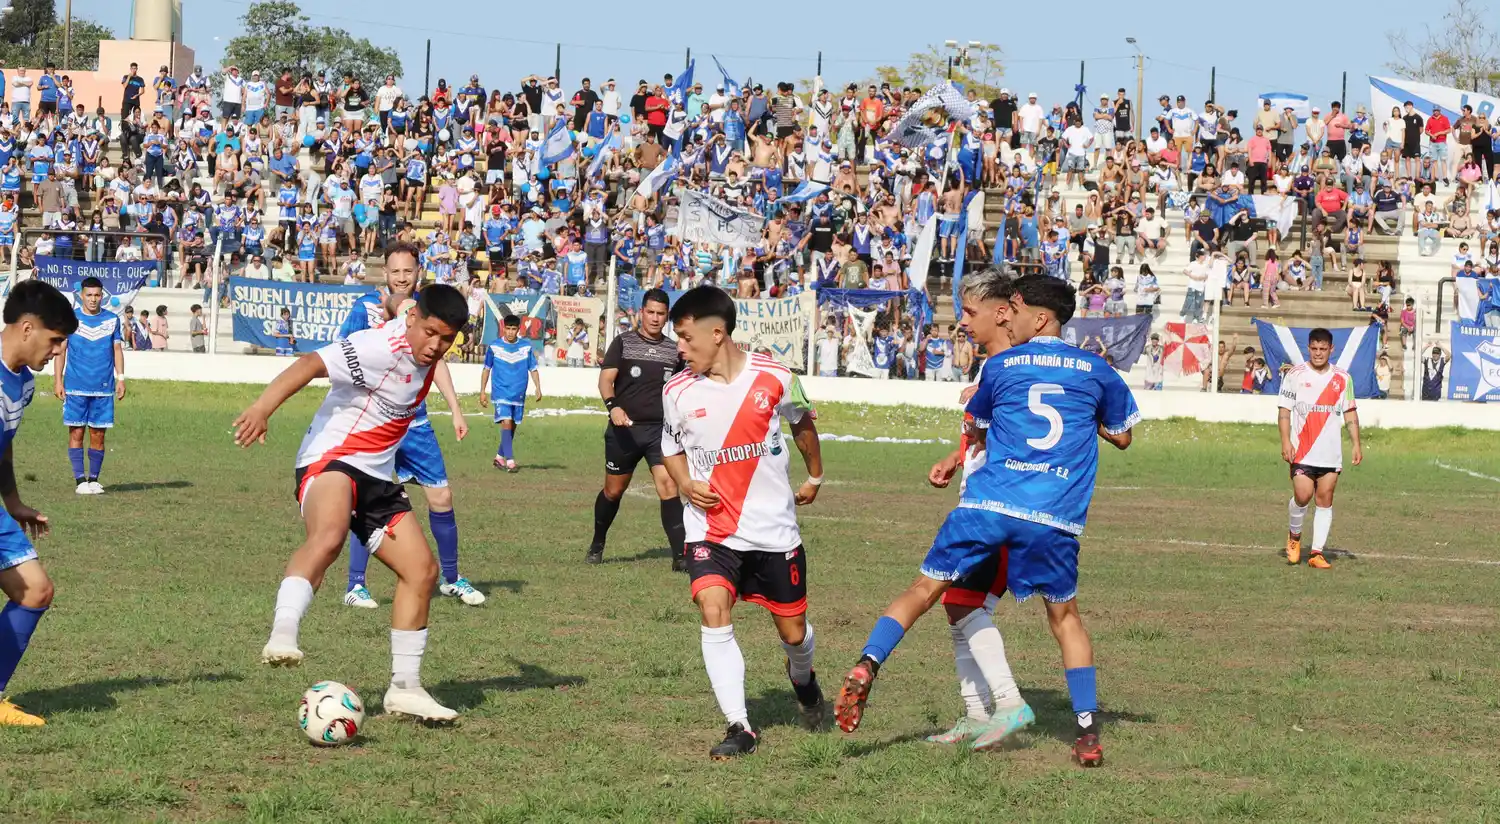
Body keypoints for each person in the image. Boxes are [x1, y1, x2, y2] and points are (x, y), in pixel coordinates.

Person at [833, 273, 1139, 769]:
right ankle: (1086, 732)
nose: (1007, 317)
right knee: (1063, 618)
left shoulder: (1002, 367)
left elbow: (977, 425)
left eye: (1013, 309)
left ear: (1037, 317)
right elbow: (1123, 437)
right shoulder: (1096, 369)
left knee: (925, 591)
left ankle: (870, 661)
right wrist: (1088, 418)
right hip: (1053, 515)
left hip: (988, 507)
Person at [235, 285, 468, 723]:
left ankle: (405, 689)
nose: (435, 346)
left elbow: (406, 306)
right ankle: (283, 633)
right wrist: (262, 408)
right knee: (330, 534)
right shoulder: (379, 345)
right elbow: (311, 363)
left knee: (422, 571)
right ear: (414, 319)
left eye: (447, 340)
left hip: (378, 474)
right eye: (431, 333)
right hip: (332, 458)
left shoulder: (426, 350)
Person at [659, 285, 827, 759]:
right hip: (711, 529)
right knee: (713, 610)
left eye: (688, 338)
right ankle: (740, 726)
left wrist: (815, 475)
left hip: (774, 532)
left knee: (793, 633)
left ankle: (804, 680)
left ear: (718, 333)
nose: (681, 348)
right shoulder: (677, 390)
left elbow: (802, 425)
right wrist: (686, 483)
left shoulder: (776, 377)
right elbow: (670, 447)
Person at [338, 244, 484, 610]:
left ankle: (451, 579)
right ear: (384, 274)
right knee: (367, 500)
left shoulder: (426, 310)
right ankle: (356, 585)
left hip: (415, 422)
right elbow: (343, 351)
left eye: (408, 271)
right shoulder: (365, 308)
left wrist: (455, 410)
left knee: (442, 496)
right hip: (376, 421)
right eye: (394, 272)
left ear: (418, 272)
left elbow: (436, 361)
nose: (401, 277)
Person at [920, 271, 1031, 750]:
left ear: (1001, 310)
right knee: (959, 606)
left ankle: (1007, 704)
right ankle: (976, 713)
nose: (961, 321)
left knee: (963, 602)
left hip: (999, 506)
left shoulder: (1012, 365)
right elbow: (983, 434)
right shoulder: (991, 366)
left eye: (968, 312)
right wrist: (956, 456)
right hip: (980, 501)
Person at [0, 280, 78, 726]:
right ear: (27, 328)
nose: (57, 352)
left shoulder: (23, 385)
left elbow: (4, 447)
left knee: (35, 590)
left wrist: (13, 501)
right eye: (55, 341)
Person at [588, 290, 687, 570]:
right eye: (651, 312)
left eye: (661, 313)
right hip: (625, 431)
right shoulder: (623, 343)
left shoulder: (673, 351)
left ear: (667, 316)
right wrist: (613, 407)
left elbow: (682, 388)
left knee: (669, 487)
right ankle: (598, 542)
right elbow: (606, 381)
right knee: (613, 491)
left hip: (660, 432)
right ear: (641, 312)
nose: (655, 318)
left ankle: (680, 556)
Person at [1279, 328, 1363, 570]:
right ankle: (1294, 537)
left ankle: (1317, 553)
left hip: (1330, 453)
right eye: (1314, 349)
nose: (1318, 353)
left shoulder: (1343, 379)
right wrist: (1286, 441)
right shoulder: (1295, 375)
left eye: (1323, 349)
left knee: (1325, 498)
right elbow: (1284, 410)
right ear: (1309, 348)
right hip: (1302, 451)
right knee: (1303, 495)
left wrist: (1356, 443)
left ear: (1331, 350)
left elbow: (1350, 411)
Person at [52, 278, 125, 495]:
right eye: (89, 295)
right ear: (81, 295)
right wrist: (57, 380)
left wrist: (121, 378)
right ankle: (79, 481)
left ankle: (93, 479)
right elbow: (61, 351)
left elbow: (117, 350)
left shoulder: (112, 320)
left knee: (98, 435)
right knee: (76, 432)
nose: (93, 299)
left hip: (103, 387)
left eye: (97, 295)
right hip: (75, 387)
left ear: (102, 296)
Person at [478, 314, 542, 472]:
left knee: (512, 425)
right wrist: (482, 391)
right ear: (503, 328)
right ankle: (510, 461)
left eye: (514, 329)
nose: (511, 332)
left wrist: (538, 387)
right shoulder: (494, 347)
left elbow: (533, 369)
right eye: (508, 329)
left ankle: (499, 456)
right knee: (506, 422)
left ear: (518, 329)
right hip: (501, 392)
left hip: (518, 393)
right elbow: (486, 369)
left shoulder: (526, 347)